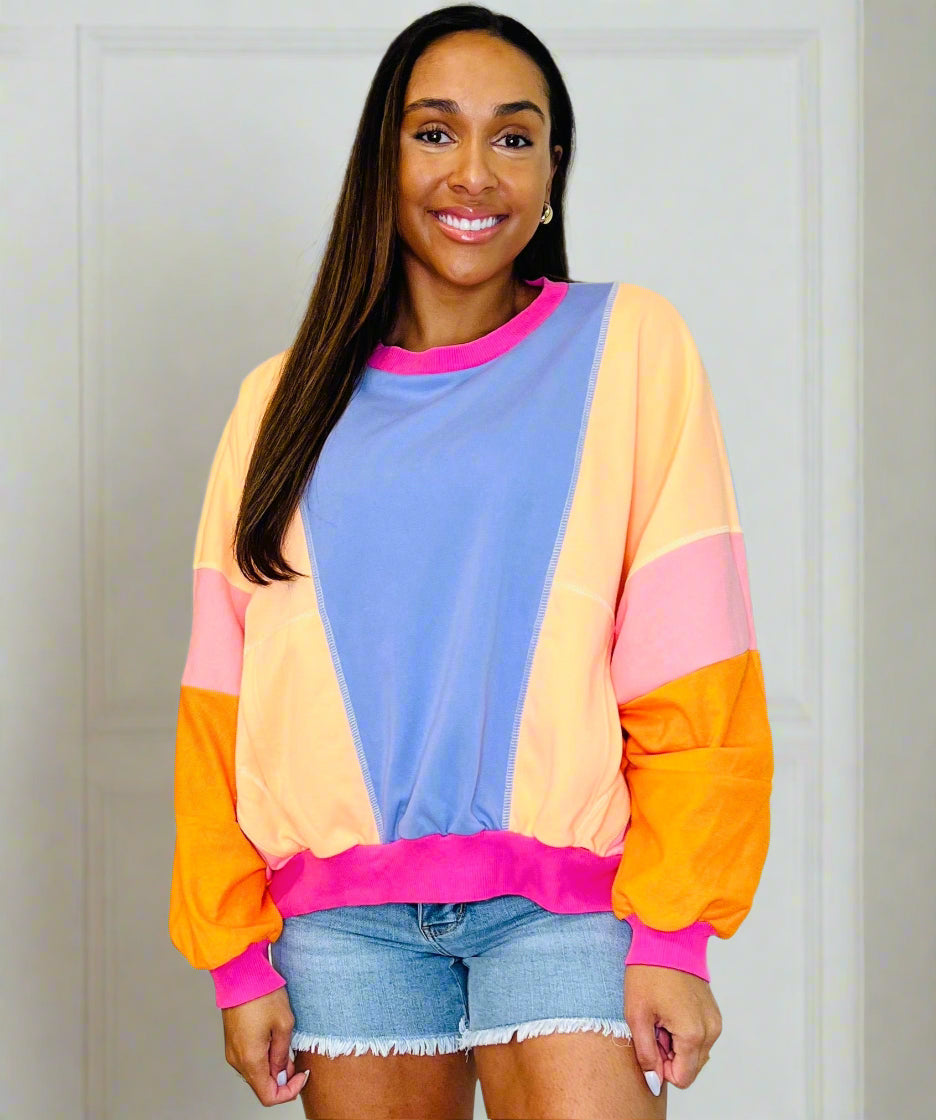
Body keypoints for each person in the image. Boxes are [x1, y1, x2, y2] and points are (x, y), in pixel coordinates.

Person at [167, 5, 774, 1117]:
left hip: (566, 910)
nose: (475, 172)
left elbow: (694, 659)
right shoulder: (276, 404)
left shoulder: (631, 347)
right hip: (341, 927)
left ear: (552, 173)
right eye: (436, 132)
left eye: (515, 136)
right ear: (384, 159)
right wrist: (235, 956)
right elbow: (223, 694)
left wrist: (675, 933)